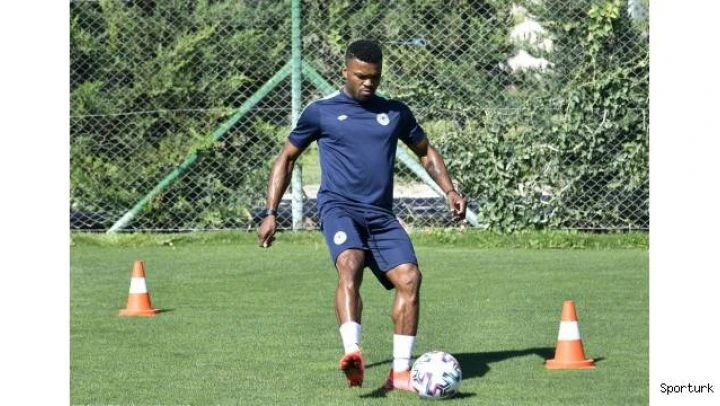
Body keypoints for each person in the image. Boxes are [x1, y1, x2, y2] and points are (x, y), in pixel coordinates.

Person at [257, 39, 467, 391]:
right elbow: (286, 157)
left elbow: (426, 150)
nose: (368, 83)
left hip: (381, 215)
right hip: (339, 208)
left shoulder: (395, 112)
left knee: (410, 278)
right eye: (361, 76)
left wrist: (450, 190)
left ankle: (399, 374)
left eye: (375, 77)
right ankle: (352, 353)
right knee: (350, 261)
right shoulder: (321, 112)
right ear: (345, 72)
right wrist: (271, 212)